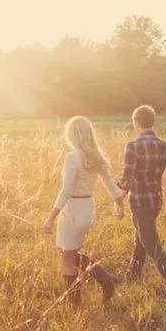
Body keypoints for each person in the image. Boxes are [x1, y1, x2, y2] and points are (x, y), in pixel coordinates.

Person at [42, 116, 126, 305]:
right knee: (71, 253)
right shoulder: (97, 156)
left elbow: (66, 190)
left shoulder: (73, 157)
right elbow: (112, 187)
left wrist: (50, 217)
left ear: (72, 135)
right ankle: (105, 278)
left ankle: (75, 305)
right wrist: (120, 206)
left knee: (66, 260)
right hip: (87, 209)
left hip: (72, 209)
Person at [117, 105, 166, 293]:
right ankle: (134, 273)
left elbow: (127, 179)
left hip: (140, 202)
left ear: (136, 123)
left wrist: (118, 198)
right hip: (156, 202)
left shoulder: (132, 146)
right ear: (152, 122)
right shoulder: (165, 146)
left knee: (150, 243)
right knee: (142, 236)